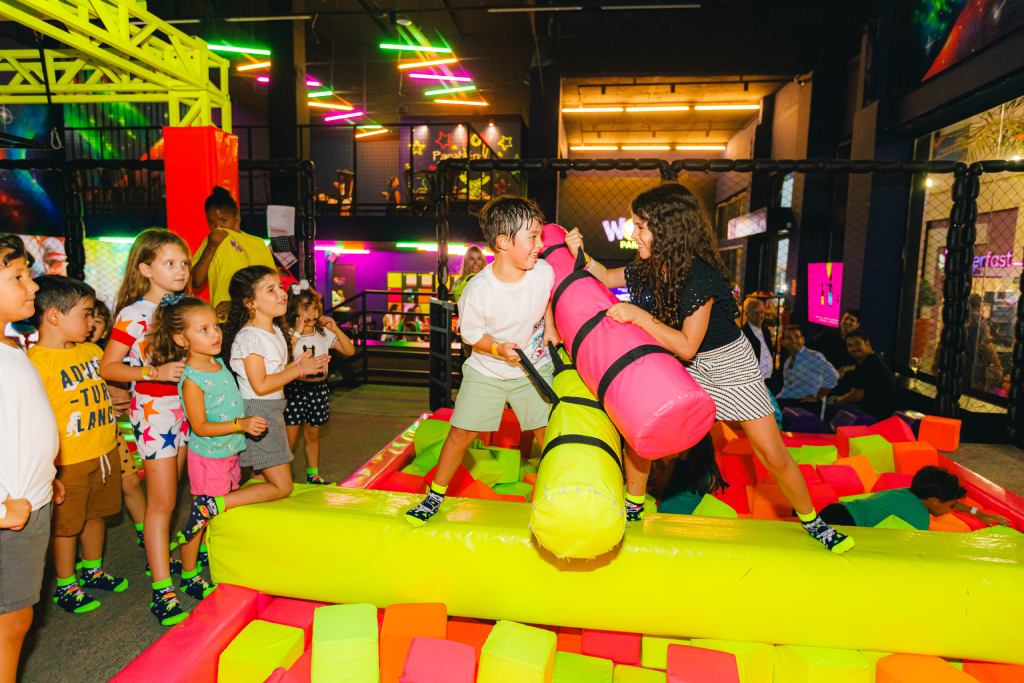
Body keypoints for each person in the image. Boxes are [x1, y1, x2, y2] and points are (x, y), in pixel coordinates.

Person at [565, 183, 853, 553]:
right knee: (642, 429)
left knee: (771, 452)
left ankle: (814, 522)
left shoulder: (699, 276)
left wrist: (638, 316)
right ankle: (633, 509)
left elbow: (688, 342)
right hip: (682, 361)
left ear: (668, 230)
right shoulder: (649, 266)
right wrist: (580, 254)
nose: (632, 234)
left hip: (727, 364)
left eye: (640, 226)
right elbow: (604, 277)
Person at [404, 196, 560, 526]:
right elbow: (472, 336)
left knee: (548, 431)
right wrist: (498, 348)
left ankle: (560, 493)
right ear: (503, 242)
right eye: (532, 237)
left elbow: (544, 300)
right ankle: (435, 493)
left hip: (532, 366)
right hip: (487, 369)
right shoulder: (477, 290)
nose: (540, 244)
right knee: (460, 432)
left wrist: (551, 326)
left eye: (540, 236)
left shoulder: (543, 272)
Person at [178, 267, 329, 540]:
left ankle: (228, 530)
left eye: (280, 287)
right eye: (270, 290)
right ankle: (213, 505)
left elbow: (274, 373)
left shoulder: (272, 330)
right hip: (259, 412)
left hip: (272, 411)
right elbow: (260, 384)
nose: (282, 293)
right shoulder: (250, 337)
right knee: (282, 486)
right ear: (250, 303)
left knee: (261, 477)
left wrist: (302, 364)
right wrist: (298, 370)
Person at [148, 297, 279, 598]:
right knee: (201, 514)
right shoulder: (192, 378)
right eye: (204, 330)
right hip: (209, 457)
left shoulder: (216, 361)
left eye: (215, 327)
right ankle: (190, 573)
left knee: (217, 509)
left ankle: (207, 556)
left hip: (228, 452)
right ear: (182, 339)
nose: (215, 334)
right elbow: (200, 426)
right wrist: (240, 424)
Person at [99, 229, 193, 626]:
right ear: (146, 268)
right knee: (163, 503)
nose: (181, 270)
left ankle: (165, 564)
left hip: (188, 412)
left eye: (185, 263)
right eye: (170, 263)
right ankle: (162, 590)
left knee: (174, 498)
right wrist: (153, 371)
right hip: (156, 415)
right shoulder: (133, 315)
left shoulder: (187, 308)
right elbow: (109, 366)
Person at [27, 277, 127, 614]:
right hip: (68, 460)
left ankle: (93, 569)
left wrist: (111, 398)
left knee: (96, 514)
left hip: (103, 450)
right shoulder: (36, 364)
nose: (92, 322)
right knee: (67, 525)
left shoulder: (93, 352)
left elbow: (91, 391)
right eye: (86, 314)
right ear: (54, 316)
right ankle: (67, 585)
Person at [0, 235, 61, 683]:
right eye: (17, 276)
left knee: (18, 617)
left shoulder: (11, 346)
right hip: (10, 512)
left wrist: (47, 472)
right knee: (8, 623)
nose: (33, 286)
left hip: (29, 500)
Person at [283, 283, 355, 485]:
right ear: (293, 310)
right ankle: (282, 476)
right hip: (294, 390)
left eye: (315, 308)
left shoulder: (323, 333)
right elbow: (283, 357)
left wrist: (336, 328)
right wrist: (296, 333)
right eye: (305, 308)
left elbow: (349, 351)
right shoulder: (289, 335)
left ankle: (313, 475)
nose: (312, 313)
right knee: (290, 437)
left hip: (318, 389)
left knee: (312, 434)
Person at [819, 466, 1011, 530]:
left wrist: (977, 513)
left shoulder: (911, 492)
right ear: (934, 501)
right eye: (950, 506)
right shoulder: (918, 517)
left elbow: (949, 502)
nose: (951, 508)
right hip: (842, 524)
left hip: (835, 510)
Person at [190, 187, 277, 320]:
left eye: (223, 220)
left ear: (237, 219)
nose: (217, 227)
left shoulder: (256, 244)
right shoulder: (209, 242)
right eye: (212, 222)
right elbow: (196, 281)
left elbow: (270, 287)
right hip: (221, 321)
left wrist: (237, 305)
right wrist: (211, 247)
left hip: (250, 320)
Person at [828, 329, 897, 421]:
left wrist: (836, 400)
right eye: (850, 345)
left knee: (825, 407)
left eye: (857, 344)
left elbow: (855, 396)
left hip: (872, 413)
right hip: (880, 411)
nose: (853, 348)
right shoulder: (872, 360)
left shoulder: (867, 365)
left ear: (867, 344)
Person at [655, 434, 729, 515]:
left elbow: (658, 491)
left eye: (684, 446)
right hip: (688, 519)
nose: (679, 449)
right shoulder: (711, 471)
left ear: (696, 448)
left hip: (667, 515)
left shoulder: (675, 464)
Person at [775, 325, 839, 411]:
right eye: (789, 338)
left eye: (796, 337)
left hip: (810, 405)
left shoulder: (814, 356)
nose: (793, 341)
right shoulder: (788, 362)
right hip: (792, 403)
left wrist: (816, 396)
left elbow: (833, 376)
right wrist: (774, 400)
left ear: (803, 340)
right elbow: (788, 388)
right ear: (783, 342)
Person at [809, 310, 860, 392]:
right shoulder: (828, 335)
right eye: (846, 318)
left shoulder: (859, 343)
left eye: (852, 320)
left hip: (844, 387)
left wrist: (845, 368)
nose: (847, 322)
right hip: (822, 383)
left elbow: (865, 364)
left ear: (857, 325)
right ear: (841, 321)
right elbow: (810, 345)